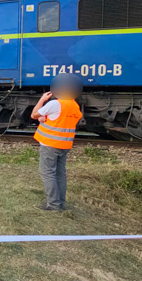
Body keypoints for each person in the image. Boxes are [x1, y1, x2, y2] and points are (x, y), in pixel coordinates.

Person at [31, 73, 84, 211]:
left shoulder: (55, 103)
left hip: (50, 144)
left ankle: (54, 205)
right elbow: (63, 120)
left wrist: (42, 100)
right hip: (65, 145)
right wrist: (45, 118)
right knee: (60, 174)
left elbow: (34, 114)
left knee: (47, 173)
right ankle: (60, 202)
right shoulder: (74, 106)